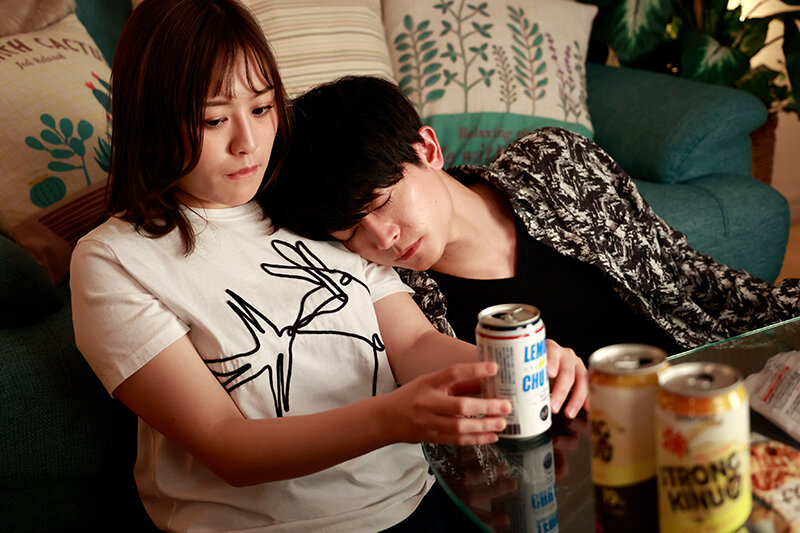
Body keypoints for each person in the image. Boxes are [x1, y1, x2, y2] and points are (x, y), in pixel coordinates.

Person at [69, 1, 587, 531]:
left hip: (419, 504)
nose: (248, 143)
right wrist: (392, 418)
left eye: (263, 109)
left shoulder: (307, 208)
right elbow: (227, 447)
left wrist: (511, 369)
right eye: (214, 120)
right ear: (151, 126)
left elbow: (413, 344)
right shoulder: (114, 261)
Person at [264, 76, 800, 361]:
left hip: (701, 380)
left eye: (381, 201)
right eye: (350, 231)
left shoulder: (554, 163)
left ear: (428, 149)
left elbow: (683, 273)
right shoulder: (398, 297)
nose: (382, 238)